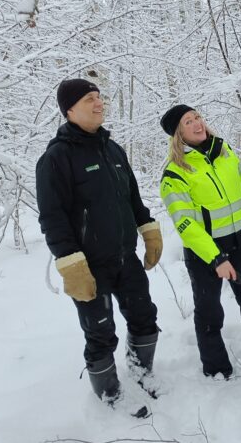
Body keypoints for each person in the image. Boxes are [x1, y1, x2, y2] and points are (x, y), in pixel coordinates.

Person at [36, 78, 163, 417]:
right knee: (100, 333)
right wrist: (70, 263)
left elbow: (132, 197)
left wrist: (148, 230)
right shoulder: (56, 158)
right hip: (89, 266)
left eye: (99, 97)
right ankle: (110, 394)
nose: (99, 103)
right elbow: (52, 216)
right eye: (90, 98)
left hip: (126, 258)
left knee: (145, 317)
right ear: (70, 110)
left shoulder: (113, 149)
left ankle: (140, 370)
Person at [159, 104, 241, 378]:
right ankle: (216, 369)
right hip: (205, 254)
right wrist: (216, 258)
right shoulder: (174, 174)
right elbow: (186, 224)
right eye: (188, 122)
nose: (197, 123)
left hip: (239, 244)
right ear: (178, 134)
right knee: (209, 313)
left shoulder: (225, 154)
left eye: (198, 117)